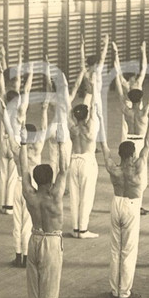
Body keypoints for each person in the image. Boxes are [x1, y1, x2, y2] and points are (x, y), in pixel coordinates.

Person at [97, 98, 149, 298]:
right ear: (133, 154)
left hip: (116, 203)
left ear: (120, 154)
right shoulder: (138, 167)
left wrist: (100, 121)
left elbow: (103, 146)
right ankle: (124, 291)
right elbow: (148, 142)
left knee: (115, 249)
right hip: (131, 205)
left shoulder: (114, 168)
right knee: (128, 250)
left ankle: (114, 289)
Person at [21, 122, 69, 298]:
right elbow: (64, 169)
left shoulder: (30, 195)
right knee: (49, 290)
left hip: (33, 239)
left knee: (35, 290)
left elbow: (23, 172)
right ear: (49, 180)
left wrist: (23, 143)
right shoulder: (56, 195)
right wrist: (60, 143)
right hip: (51, 242)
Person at [0, 70, 51, 268]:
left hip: (18, 185)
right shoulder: (36, 148)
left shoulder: (15, 147)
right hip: (31, 187)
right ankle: (27, 255)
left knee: (17, 222)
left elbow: (9, 129)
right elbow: (44, 129)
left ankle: (18, 254)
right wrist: (45, 110)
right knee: (28, 222)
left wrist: (4, 111)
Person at [113, 46, 149, 215]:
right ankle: (137, 204)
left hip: (127, 140)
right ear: (141, 98)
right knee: (140, 176)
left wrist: (116, 56)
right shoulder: (144, 111)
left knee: (127, 170)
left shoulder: (126, 109)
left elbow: (118, 89)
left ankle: (129, 199)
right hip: (139, 143)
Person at [66, 83, 101, 239]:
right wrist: (93, 91)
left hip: (73, 161)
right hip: (87, 161)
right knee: (86, 195)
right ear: (86, 116)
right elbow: (94, 109)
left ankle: (75, 229)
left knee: (74, 196)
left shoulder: (72, 128)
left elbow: (67, 110)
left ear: (75, 116)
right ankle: (83, 229)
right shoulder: (91, 128)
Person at [0, 46, 22, 214]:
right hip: (14, 140)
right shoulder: (19, 111)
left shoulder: (4, 102)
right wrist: (20, 57)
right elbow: (21, 81)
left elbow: (1, 86)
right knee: (13, 174)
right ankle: (9, 206)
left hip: (4, 139)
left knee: (3, 173)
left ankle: (3, 204)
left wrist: (1, 71)